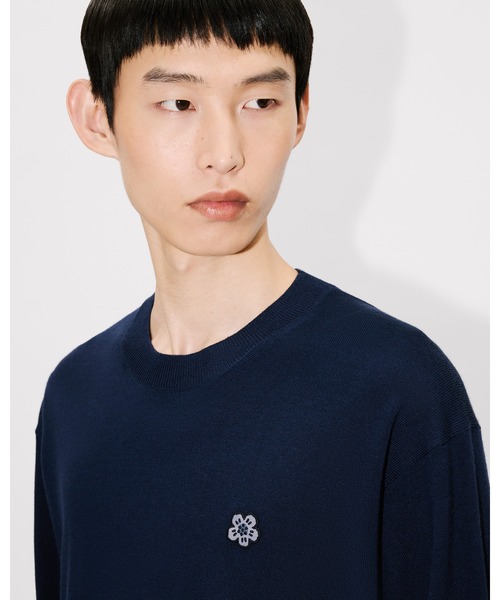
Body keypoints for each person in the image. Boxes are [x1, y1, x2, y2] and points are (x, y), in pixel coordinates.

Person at [34, 0, 489, 598]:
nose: (224, 153)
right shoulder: (74, 396)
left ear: (300, 113)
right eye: (179, 103)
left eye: (260, 103)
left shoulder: (397, 388)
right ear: (97, 119)